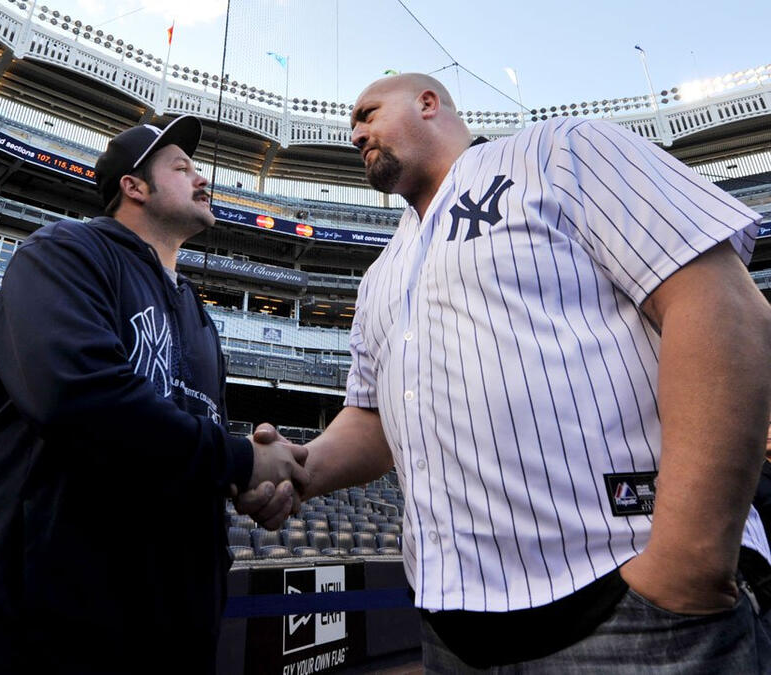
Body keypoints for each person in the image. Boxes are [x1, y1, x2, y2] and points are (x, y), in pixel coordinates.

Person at [238, 73, 771, 670]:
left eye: (368, 113)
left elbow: (722, 305)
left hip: (631, 606)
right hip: (451, 632)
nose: (355, 131)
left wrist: (688, 564)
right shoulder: (380, 273)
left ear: (428, 103)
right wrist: (300, 467)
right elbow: (373, 419)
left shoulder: (559, 151)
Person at [0, 117, 308, 674]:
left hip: (161, 636)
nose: (203, 181)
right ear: (134, 186)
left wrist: (249, 485)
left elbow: (192, 448)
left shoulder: (199, 317)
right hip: (26, 638)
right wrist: (242, 458)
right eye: (183, 169)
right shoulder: (64, 253)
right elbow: (75, 396)